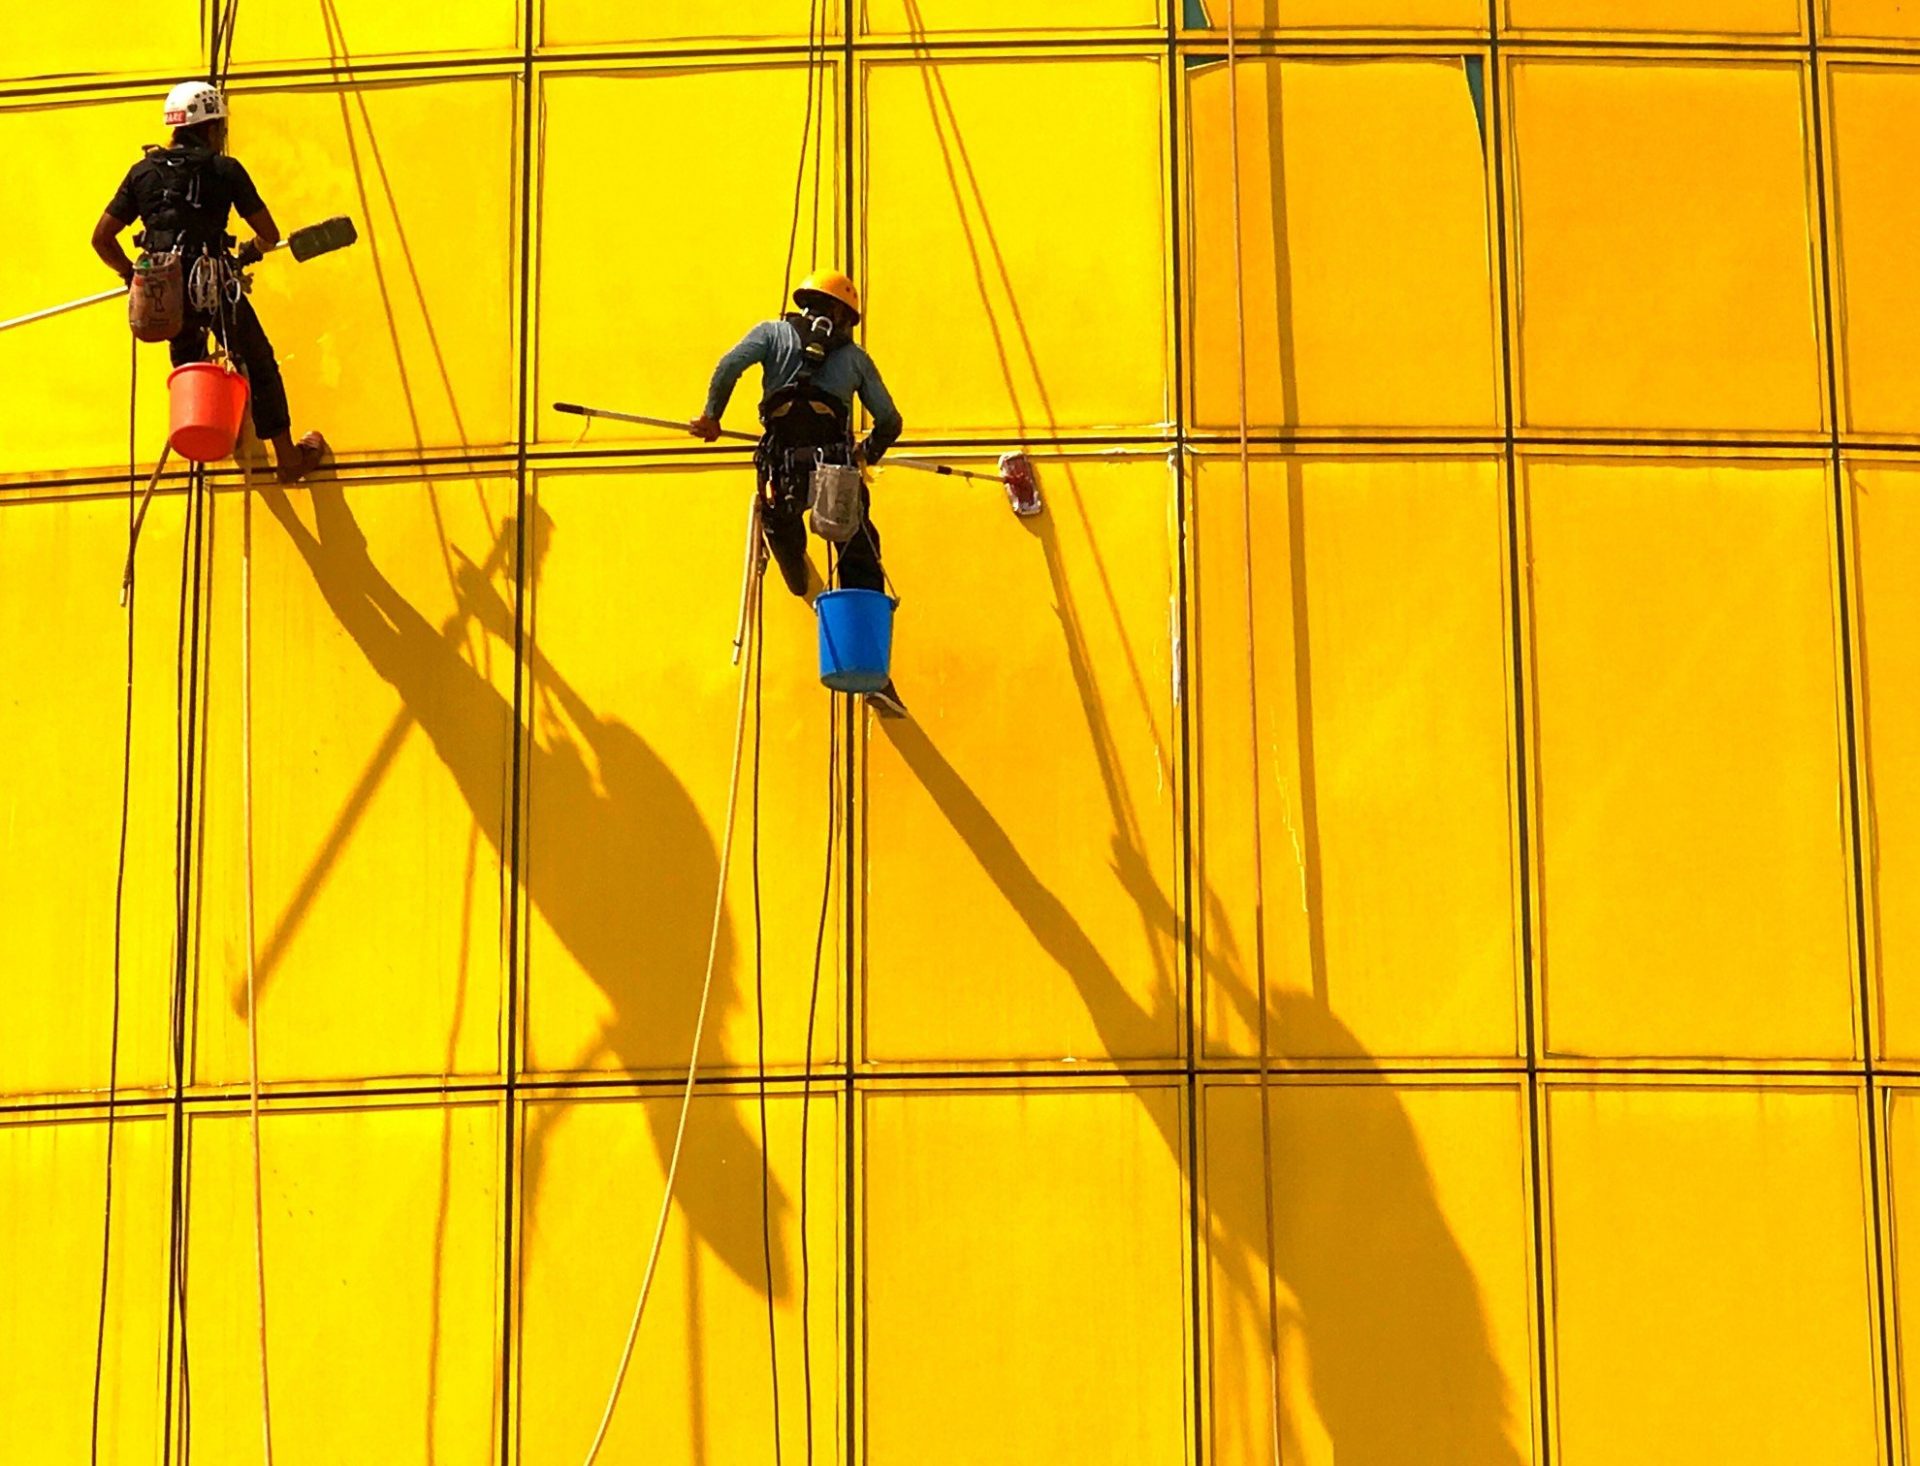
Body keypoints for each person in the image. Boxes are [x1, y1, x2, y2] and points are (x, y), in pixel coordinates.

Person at [691, 269, 908, 718]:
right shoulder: (853, 358)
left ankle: (794, 569)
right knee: (858, 551)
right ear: (840, 313)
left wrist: (712, 416)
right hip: (836, 475)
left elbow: (729, 365)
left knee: (783, 526)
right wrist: (867, 452)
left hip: (784, 473)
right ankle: (868, 665)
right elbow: (889, 420)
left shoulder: (771, 334)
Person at [91, 80, 326, 483]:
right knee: (257, 359)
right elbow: (268, 231)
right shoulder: (224, 170)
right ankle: (288, 460)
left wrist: (134, 278)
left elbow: (101, 239)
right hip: (213, 284)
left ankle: (208, 432)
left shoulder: (143, 172)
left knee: (190, 362)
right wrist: (250, 250)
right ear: (211, 127)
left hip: (163, 295)